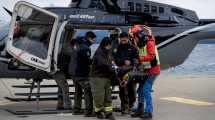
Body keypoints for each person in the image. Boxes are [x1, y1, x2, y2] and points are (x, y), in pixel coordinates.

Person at [129, 25, 160, 119]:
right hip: (146, 70)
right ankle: (140, 109)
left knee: (146, 89)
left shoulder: (149, 42)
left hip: (153, 70)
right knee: (140, 90)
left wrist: (139, 59)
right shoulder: (142, 43)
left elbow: (151, 56)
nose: (133, 39)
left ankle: (149, 112)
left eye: (134, 37)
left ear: (138, 36)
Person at [90, 37, 116, 120]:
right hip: (98, 77)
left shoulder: (108, 52)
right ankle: (99, 112)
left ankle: (109, 113)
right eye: (110, 45)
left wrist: (113, 65)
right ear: (107, 45)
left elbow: (111, 61)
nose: (110, 47)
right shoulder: (99, 53)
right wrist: (112, 67)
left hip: (106, 77)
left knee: (108, 96)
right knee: (99, 96)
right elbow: (103, 64)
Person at [114, 32, 138, 115]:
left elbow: (136, 59)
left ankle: (131, 105)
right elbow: (115, 60)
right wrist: (123, 61)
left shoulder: (133, 48)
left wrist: (132, 62)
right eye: (122, 40)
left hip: (130, 73)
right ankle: (124, 108)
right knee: (123, 91)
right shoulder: (118, 48)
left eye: (124, 40)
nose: (123, 41)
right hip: (121, 73)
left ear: (128, 39)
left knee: (132, 91)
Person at [73, 31, 96, 117]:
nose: (93, 42)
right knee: (88, 92)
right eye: (93, 40)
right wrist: (94, 62)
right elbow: (87, 61)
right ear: (90, 38)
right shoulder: (86, 48)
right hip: (83, 75)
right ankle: (88, 111)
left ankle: (76, 109)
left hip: (76, 73)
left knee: (78, 92)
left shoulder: (79, 46)